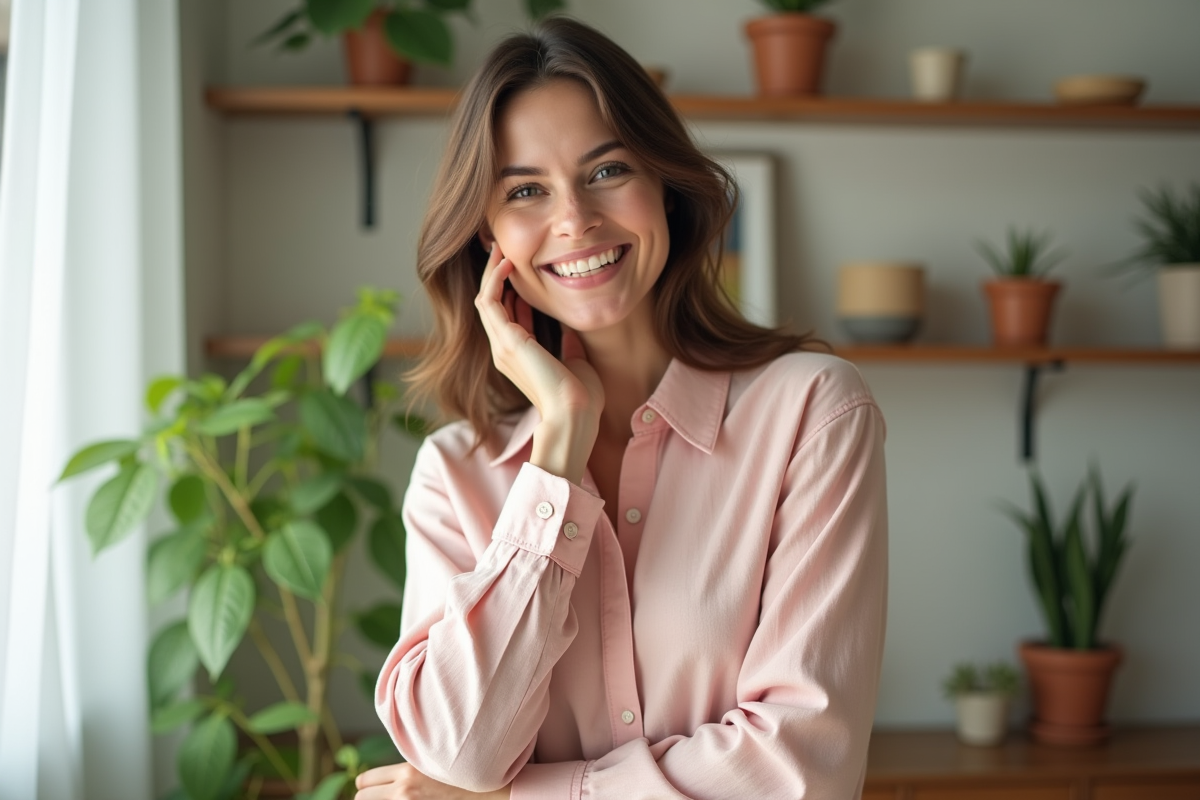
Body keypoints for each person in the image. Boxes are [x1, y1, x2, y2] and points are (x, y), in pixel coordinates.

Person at [355, 16, 888, 800]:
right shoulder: (453, 473)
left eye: (607, 171)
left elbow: (797, 769)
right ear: (487, 236)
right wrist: (558, 446)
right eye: (526, 190)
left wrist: (518, 798)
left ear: (664, 186)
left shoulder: (815, 413)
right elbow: (457, 752)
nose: (574, 219)